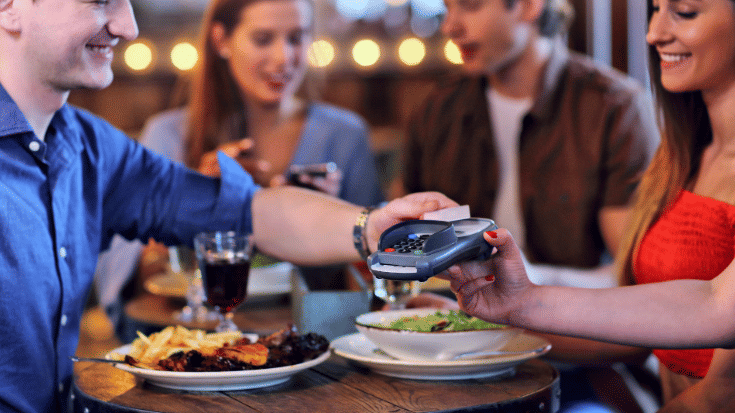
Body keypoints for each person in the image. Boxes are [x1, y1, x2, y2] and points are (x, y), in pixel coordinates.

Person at [0, 0, 455, 411]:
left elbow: (250, 212)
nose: (129, 27)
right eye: (100, 1)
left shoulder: (92, 148)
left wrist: (373, 225)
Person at [446, 0, 735, 410]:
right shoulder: (682, 154)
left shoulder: (612, 104)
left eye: (685, 11)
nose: (654, 33)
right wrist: (516, 302)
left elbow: (721, 357)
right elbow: (657, 299)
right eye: (654, 9)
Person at [394, 0, 659, 409]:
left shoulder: (612, 106)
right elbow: (399, 244)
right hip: (453, 359)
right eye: (446, 8)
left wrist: (524, 285)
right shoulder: (436, 110)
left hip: (581, 365)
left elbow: (634, 279)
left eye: (469, 6)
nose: (450, 26)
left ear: (530, 6)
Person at [94, 0, 385, 340]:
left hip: (313, 338)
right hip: (195, 341)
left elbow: (374, 273)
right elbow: (120, 284)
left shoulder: (345, 134)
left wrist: (332, 216)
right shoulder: (168, 135)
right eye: (263, 39)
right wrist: (194, 200)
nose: (283, 58)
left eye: (297, 38)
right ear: (221, 41)